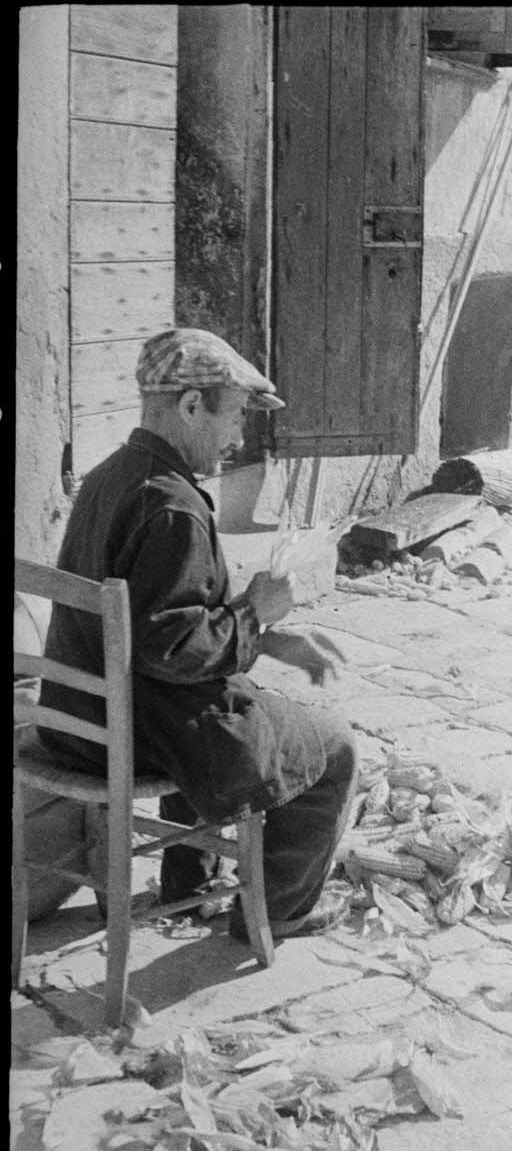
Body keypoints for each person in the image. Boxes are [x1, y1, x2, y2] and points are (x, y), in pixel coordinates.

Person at [38, 328, 359, 939]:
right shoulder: (172, 507)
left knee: (230, 693)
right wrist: (257, 614)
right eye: (234, 415)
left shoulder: (111, 476)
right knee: (335, 748)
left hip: (76, 719)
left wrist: (262, 640)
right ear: (190, 405)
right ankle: (279, 914)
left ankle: (192, 885)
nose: (238, 438)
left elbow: (159, 624)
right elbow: (176, 651)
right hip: (132, 731)